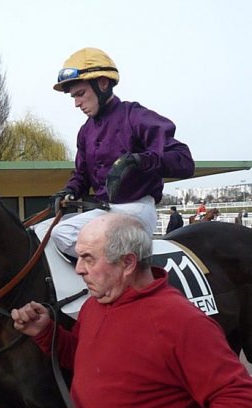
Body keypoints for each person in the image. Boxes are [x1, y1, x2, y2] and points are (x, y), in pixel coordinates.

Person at [11, 213, 252, 408]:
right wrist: (45, 332)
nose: (79, 269)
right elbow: (84, 357)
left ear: (127, 263)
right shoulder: (94, 305)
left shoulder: (181, 321)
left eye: (88, 258)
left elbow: (241, 403)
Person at [50, 48, 194, 258]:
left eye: (80, 94)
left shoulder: (135, 116)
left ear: (102, 84)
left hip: (136, 209)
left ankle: (123, 283)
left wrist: (137, 161)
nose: (76, 103)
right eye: (73, 97)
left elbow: (185, 161)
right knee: (53, 232)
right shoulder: (85, 131)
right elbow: (82, 175)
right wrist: (69, 191)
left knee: (72, 235)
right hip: (106, 210)